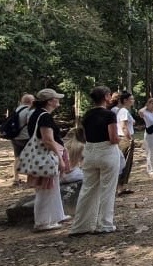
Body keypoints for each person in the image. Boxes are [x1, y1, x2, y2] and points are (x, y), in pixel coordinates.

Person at [70, 86, 121, 235]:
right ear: (106, 97)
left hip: (90, 151)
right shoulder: (109, 115)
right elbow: (113, 138)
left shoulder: (87, 115)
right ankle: (105, 224)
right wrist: (120, 139)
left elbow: (85, 136)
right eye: (109, 95)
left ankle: (80, 225)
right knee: (107, 189)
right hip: (107, 152)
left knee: (88, 189)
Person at [26, 88, 71, 232]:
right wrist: (60, 159)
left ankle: (57, 215)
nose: (58, 100)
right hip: (46, 157)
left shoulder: (36, 114)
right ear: (50, 101)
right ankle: (42, 222)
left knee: (53, 186)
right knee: (46, 188)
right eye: (56, 98)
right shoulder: (44, 117)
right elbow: (48, 140)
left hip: (41, 156)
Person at [10, 93, 35, 187]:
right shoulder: (29, 111)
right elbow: (30, 124)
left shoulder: (17, 109)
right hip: (26, 137)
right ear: (31, 101)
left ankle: (16, 178)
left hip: (14, 137)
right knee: (30, 158)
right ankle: (30, 180)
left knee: (17, 158)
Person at [115, 92, 136, 196]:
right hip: (124, 139)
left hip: (124, 138)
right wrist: (129, 139)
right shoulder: (123, 111)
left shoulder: (124, 111)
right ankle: (119, 187)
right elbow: (123, 126)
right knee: (124, 163)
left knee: (126, 163)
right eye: (131, 99)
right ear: (125, 100)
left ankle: (121, 186)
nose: (133, 101)